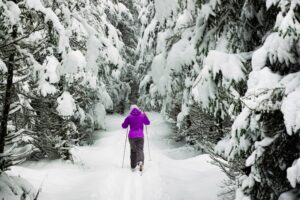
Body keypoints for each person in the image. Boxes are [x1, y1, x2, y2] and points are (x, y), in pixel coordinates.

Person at [121, 105, 150, 171]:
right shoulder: (142, 115)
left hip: (132, 137)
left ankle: (133, 165)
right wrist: (145, 116)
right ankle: (140, 162)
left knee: (133, 150)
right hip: (140, 136)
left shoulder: (129, 117)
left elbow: (124, 126)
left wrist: (127, 120)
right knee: (140, 150)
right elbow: (147, 123)